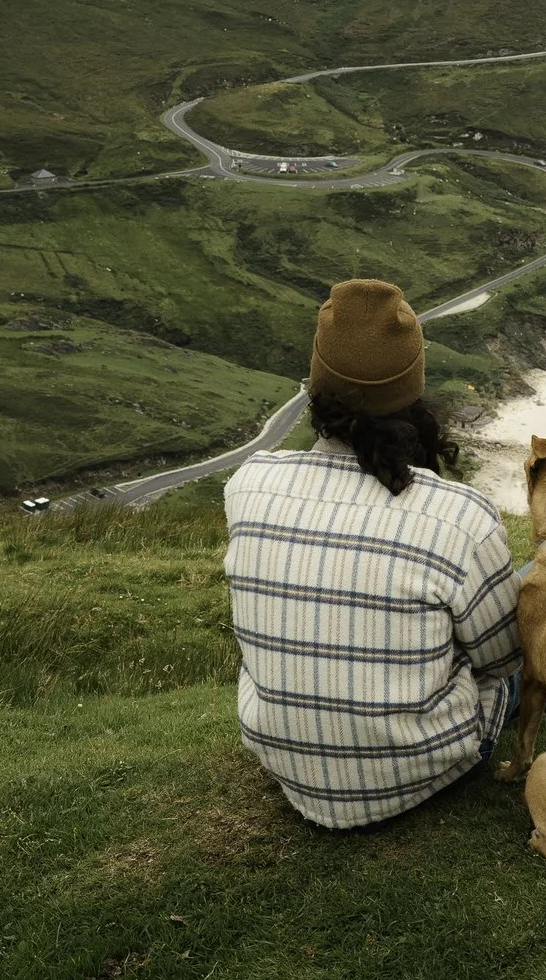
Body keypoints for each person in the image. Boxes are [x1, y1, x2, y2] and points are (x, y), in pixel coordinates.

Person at [222, 278, 520, 828]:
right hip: (416, 770)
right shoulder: (460, 515)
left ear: (316, 384)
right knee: (511, 622)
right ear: (412, 387)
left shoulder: (247, 484)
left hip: (282, 759)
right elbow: (499, 660)